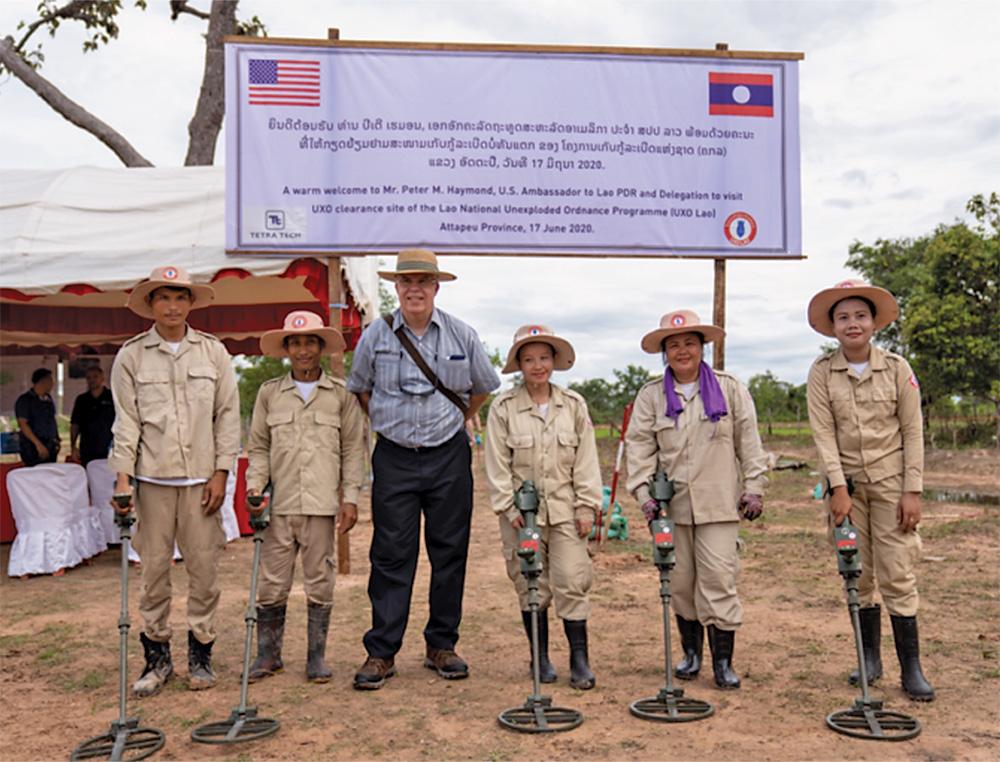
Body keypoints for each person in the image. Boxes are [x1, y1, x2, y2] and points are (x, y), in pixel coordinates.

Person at [346, 248, 500, 689]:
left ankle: (441, 645)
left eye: (423, 281)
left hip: (448, 456)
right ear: (396, 287)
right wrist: (391, 425)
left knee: (449, 552)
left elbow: (481, 390)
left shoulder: (461, 335)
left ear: (436, 287)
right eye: (406, 280)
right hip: (393, 458)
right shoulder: (375, 335)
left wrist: (450, 422)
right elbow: (361, 390)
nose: (415, 288)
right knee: (391, 556)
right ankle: (381, 652)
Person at [108, 265, 240, 697]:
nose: (173, 305)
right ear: (150, 304)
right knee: (154, 573)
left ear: (190, 303)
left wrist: (222, 472)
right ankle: (157, 658)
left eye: (180, 297)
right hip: (153, 482)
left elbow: (228, 418)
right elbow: (126, 423)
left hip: (203, 481)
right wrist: (123, 480)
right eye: (163, 297)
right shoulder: (132, 355)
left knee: (204, 572)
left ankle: (201, 655)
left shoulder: (213, 353)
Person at [806, 279, 934, 701]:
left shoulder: (898, 369)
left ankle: (911, 670)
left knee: (898, 572)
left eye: (860, 315)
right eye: (843, 317)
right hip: (847, 489)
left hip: (892, 484)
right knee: (856, 573)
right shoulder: (822, 372)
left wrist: (912, 490)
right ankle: (870, 660)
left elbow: (913, 432)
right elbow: (824, 435)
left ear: (874, 323)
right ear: (833, 327)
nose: (852, 324)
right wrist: (837, 489)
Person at [625, 310, 768, 690]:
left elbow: (750, 445)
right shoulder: (651, 396)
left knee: (719, 580)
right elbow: (638, 451)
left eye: (689, 342)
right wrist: (644, 497)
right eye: (674, 345)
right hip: (671, 508)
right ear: (664, 353)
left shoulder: (731, 388)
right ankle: (692, 655)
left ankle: (724, 662)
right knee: (682, 583)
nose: (682, 351)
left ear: (702, 347)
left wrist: (754, 487)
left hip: (719, 505)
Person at [244, 310, 365, 683]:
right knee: (271, 581)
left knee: (320, 579)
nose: (302, 349)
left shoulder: (341, 396)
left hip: (320, 505)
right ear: (286, 348)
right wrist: (254, 486)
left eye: (310, 342)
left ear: (320, 347)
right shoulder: (269, 394)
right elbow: (259, 447)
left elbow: (353, 450)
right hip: (278, 504)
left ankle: (316, 657)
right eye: (295, 342)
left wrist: (351, 498)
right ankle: (268, 655)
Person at [485, 324, 603, 689]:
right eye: (529, 358)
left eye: (544, 357)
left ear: (554, 361)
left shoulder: (573, 405)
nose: (538, 365)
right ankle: (540, 658)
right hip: (523, 516)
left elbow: (586, 461)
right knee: (530, 582)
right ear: (519, 364)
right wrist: (509, 508)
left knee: (571, 580)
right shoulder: (503, 408)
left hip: (567, 513)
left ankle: (579, 660)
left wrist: (587, 508)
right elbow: (496, 465)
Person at [70, 365, 115, 466]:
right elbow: (75, 425)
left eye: (95, 376)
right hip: (87, 449)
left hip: (109, 448)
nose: (92, 380)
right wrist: (73, 446)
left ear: (102, 378)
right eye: (89, 377)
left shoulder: (112, 397)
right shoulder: (82, 400)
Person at [15, 368, 60, 466]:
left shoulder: (48, 400)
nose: (52, 384)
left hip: (50, 444)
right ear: (43, 381)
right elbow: (23, 424)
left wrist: (56, 438)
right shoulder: (25, 400)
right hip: (33, 446)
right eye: (50, 381)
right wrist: (38, 444)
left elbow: (52, 419)